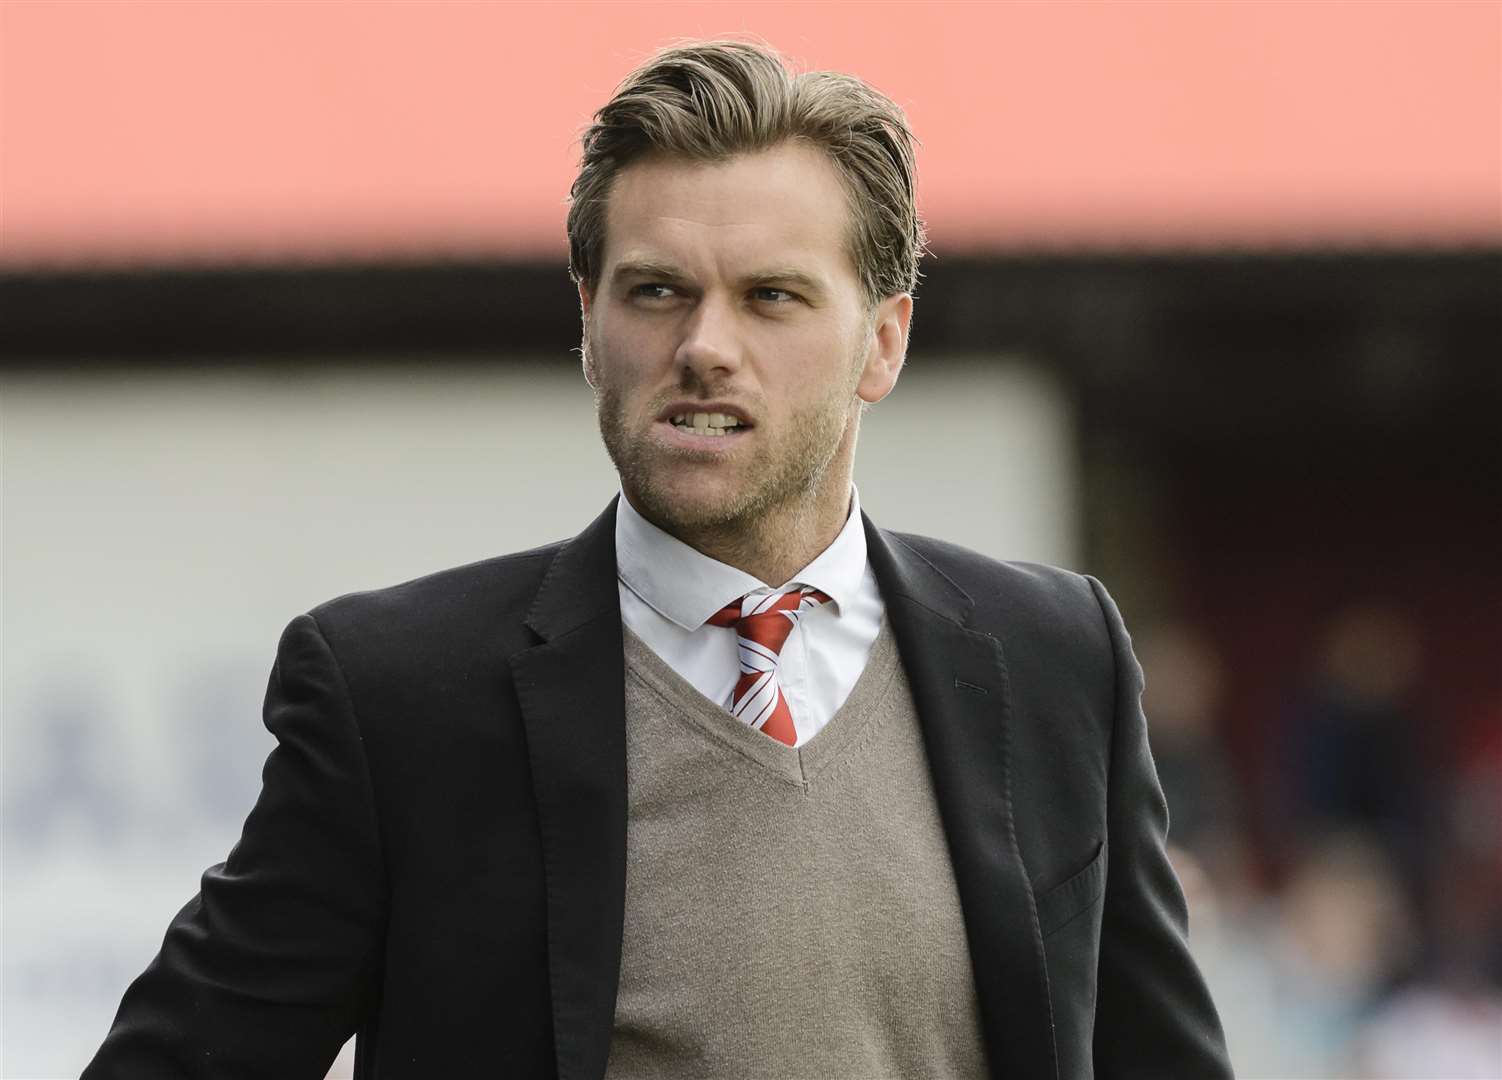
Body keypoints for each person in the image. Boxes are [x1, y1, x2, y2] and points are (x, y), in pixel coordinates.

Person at [85, 40, 1232, 1079]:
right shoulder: (398, 695)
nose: (704, 348)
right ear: (588, 323)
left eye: (771, 297)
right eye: (656, 292)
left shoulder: (1053, 657)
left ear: (880, 343)